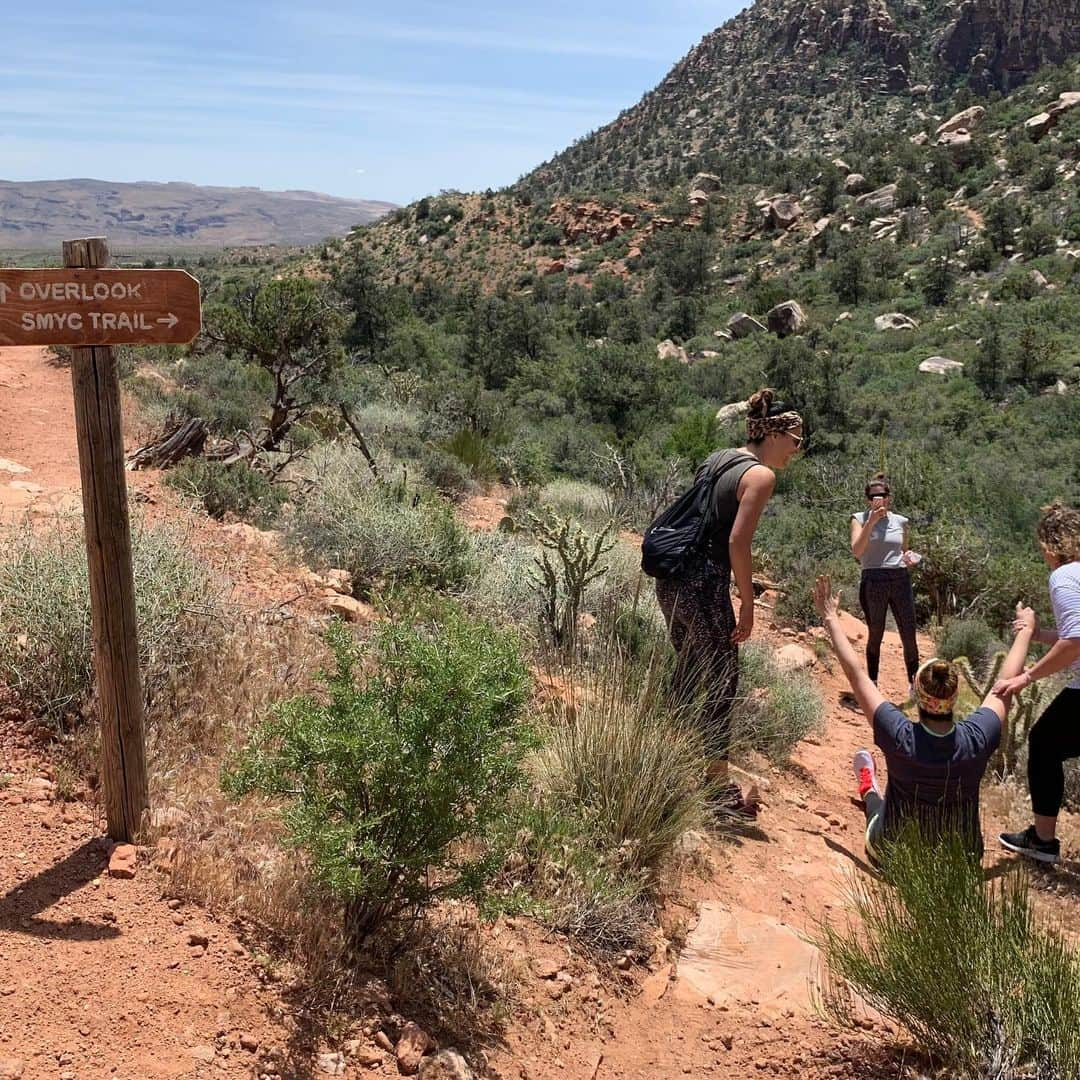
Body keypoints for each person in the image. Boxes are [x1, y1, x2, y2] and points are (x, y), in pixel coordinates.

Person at [812, 575, 1035, 861]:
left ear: (917, 696)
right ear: (954, 697)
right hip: (960, 859)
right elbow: (1004, 686)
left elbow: (856, 675)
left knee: (877, 806)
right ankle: (869, 787)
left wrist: (830, 617)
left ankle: (868, 786)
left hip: (894, 854)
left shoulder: (898, 733)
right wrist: (1026, 631)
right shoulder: (977, 737)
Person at [656, 388, 803, 815]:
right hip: (703, 585)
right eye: (795, 440)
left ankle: (657, 755)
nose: (796, 450)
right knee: (722, 680)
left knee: (688, 668)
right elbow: (738, 543)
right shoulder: (760, 476)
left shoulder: (718, 458)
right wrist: (749, 602)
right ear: (774, 434)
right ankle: (717, 792)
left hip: (670, 579)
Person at [995, 502, 1080, 864]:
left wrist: (1025, 677)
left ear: (1048, 546)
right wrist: (1034, 632)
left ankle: (1043, 840)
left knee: (1044, 742)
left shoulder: (1064, 577)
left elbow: (1076, 640)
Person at [849, 473, 919, 687]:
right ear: (867, 499)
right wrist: (871, 522)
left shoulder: (901, 521)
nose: (877, 500)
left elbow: (904, 549)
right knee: (876, 631)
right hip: (873, 578)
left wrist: (909, 557)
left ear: (889, 497)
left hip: (899, 577)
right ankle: (873, 681)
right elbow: (857, 551)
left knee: (908, 631)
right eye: (872, 497)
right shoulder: (859, 518)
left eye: (881, 495)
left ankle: (914, 684)